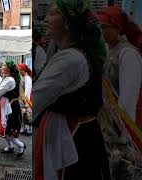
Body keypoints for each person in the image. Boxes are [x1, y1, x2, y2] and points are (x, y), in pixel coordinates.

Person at [33, 0, 111, 180]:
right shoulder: (76, 53)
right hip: (76, 132)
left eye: (53, 13)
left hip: (72, 137)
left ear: (68, 21)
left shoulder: (70, 59)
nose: (46, 19)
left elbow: (37, 97)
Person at [97, 6, 142, 127]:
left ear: (117, 27)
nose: (100, 31)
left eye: (104, 27)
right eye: (99, 26)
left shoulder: (128, 54)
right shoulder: (111, 50)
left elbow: (128, 100)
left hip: (126, 127)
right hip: (111, 122)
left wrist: (123, 131)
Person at [17, 64, 33, 136]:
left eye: (20, 70)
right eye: (19, 70)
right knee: (22, 114)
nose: (19, 71)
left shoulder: (27, 78)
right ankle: (23, 129)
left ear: (24, 70)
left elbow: (27, 92)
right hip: (21, 99)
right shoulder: (23, 77)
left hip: (26, 100)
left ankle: (30, 130)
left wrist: (26, 103)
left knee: (28, 115)